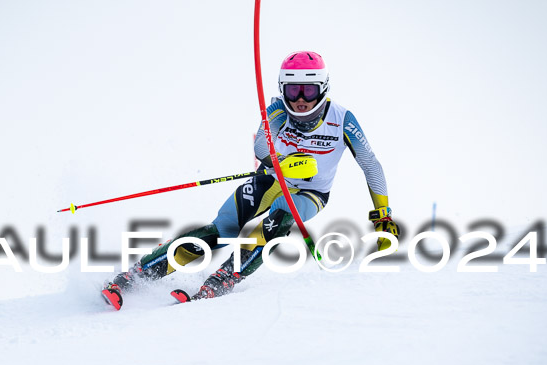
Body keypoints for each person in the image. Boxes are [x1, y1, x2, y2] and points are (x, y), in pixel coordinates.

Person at [102, 51, 399, 310]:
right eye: (292, 89)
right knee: (221, 230)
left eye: (308, 91)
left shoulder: (343, 118)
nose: (299, 100)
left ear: (323, 88)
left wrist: (381, 214)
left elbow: (370, 164)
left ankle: (224, 277)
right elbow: (260, 145)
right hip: (271, 180)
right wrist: (278, 162)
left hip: (309, 193)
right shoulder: (278, 109)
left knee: (277, 220)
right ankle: (136, 276)